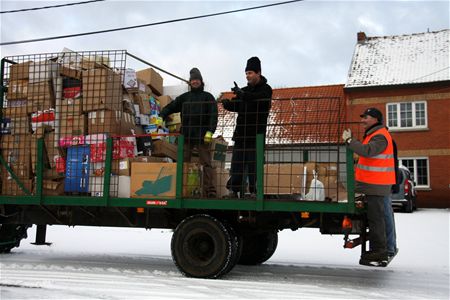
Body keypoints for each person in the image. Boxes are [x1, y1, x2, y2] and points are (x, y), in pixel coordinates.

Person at [342, 107, 396, 264]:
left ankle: (379, 252)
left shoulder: (380, 136)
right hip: (372, 184)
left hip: (376, 185)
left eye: (366, 117)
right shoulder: (373, 135)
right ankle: (383, 249)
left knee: (377, 219)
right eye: (362, 117)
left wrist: (350, 141)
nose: (362, 120)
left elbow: (368, 151)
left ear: (376, 119)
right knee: (379, 218)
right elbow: (368, 158)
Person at [160, 68, 218, 198]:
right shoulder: (184, 98)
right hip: (186, 135)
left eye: (197, 79)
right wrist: (161, 115)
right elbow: (171, 107)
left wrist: (210, 131)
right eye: (193, 80)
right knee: (182, 162)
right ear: (189, 82)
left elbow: (213, 116)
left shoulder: (208, 97)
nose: (195, 82)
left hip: (203, 136)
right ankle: (179, 188)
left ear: (201, 81)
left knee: (206, 164)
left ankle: (210, 191)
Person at [222, 57, 272, 198]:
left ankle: (254, 191)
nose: (247, 76)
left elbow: (259, 101)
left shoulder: (266, 90)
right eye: (246, 73)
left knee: (254, 166)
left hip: (256, 135)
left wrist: (243, 95)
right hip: (241, 134)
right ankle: (234, 190)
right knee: (237, 164)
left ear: (258, 73)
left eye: (250, 73)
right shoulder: (243, 91)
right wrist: (227, 104)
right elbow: (237, 104)